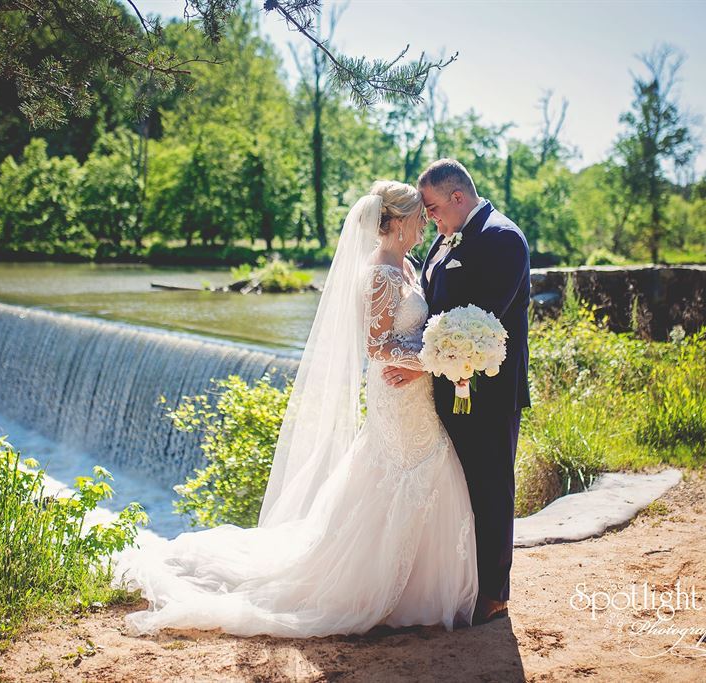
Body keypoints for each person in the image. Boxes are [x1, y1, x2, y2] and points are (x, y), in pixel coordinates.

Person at [110, 180, 478, 637]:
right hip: (395, 393)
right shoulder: (380, 274)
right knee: (401, 471)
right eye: (420, 216)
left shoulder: (406, 265)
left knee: (418, 469)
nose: (426, 223)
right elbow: (377, 346)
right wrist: (437, 359)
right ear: (399, 221)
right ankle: (378, 589)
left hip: (414, 393)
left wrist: (439, 356)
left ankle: (416, 588)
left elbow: (411, 331)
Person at [384, 159, 531, 625]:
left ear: (458, 197)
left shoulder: (502, 238)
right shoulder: (444, 239)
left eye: (431, 207)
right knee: (457, 490)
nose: (427, 217)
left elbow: (481, 322)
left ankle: (493, 594)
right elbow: (435, 312)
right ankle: (458, 583)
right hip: (443, 389)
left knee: (490, 487)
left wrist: (421, 365)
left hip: (489, 391)